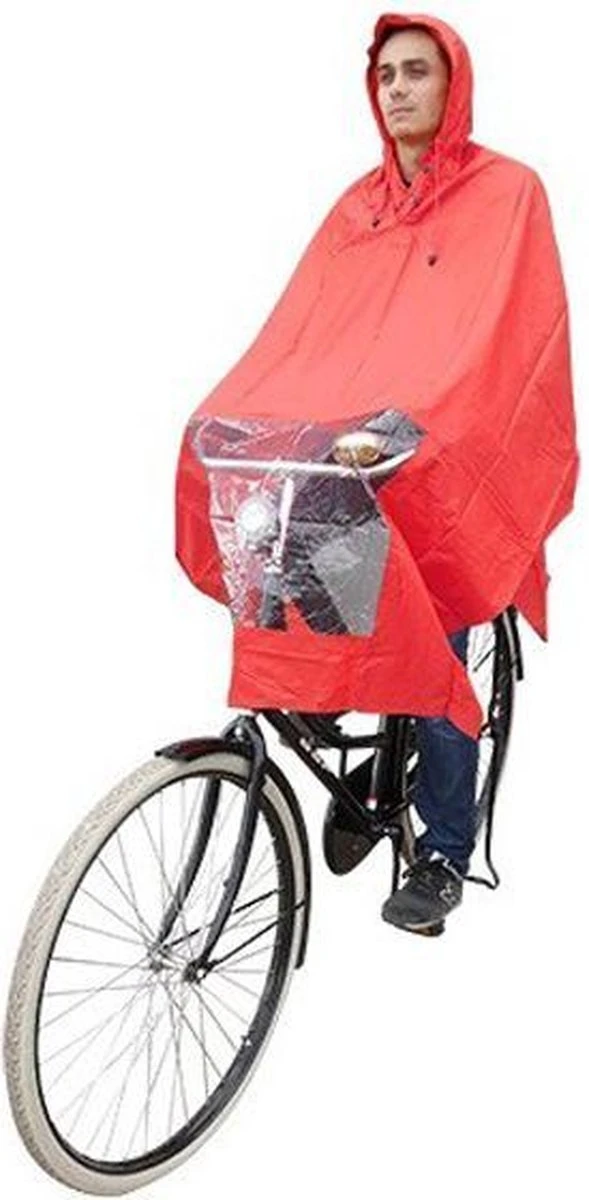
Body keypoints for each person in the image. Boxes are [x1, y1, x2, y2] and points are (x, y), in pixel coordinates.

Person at [368, 22, 487, 933]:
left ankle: (443, 847)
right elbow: (310, 334)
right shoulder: (357, 212)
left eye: (417, 71)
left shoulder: (504, 195)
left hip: (456, 458)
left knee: (436, 642)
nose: (398, 88)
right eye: (384, 75)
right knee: (298, 589)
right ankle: (371, 773)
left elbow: (505, 336)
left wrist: (426, 424)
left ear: (454, 86)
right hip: (362, 450)